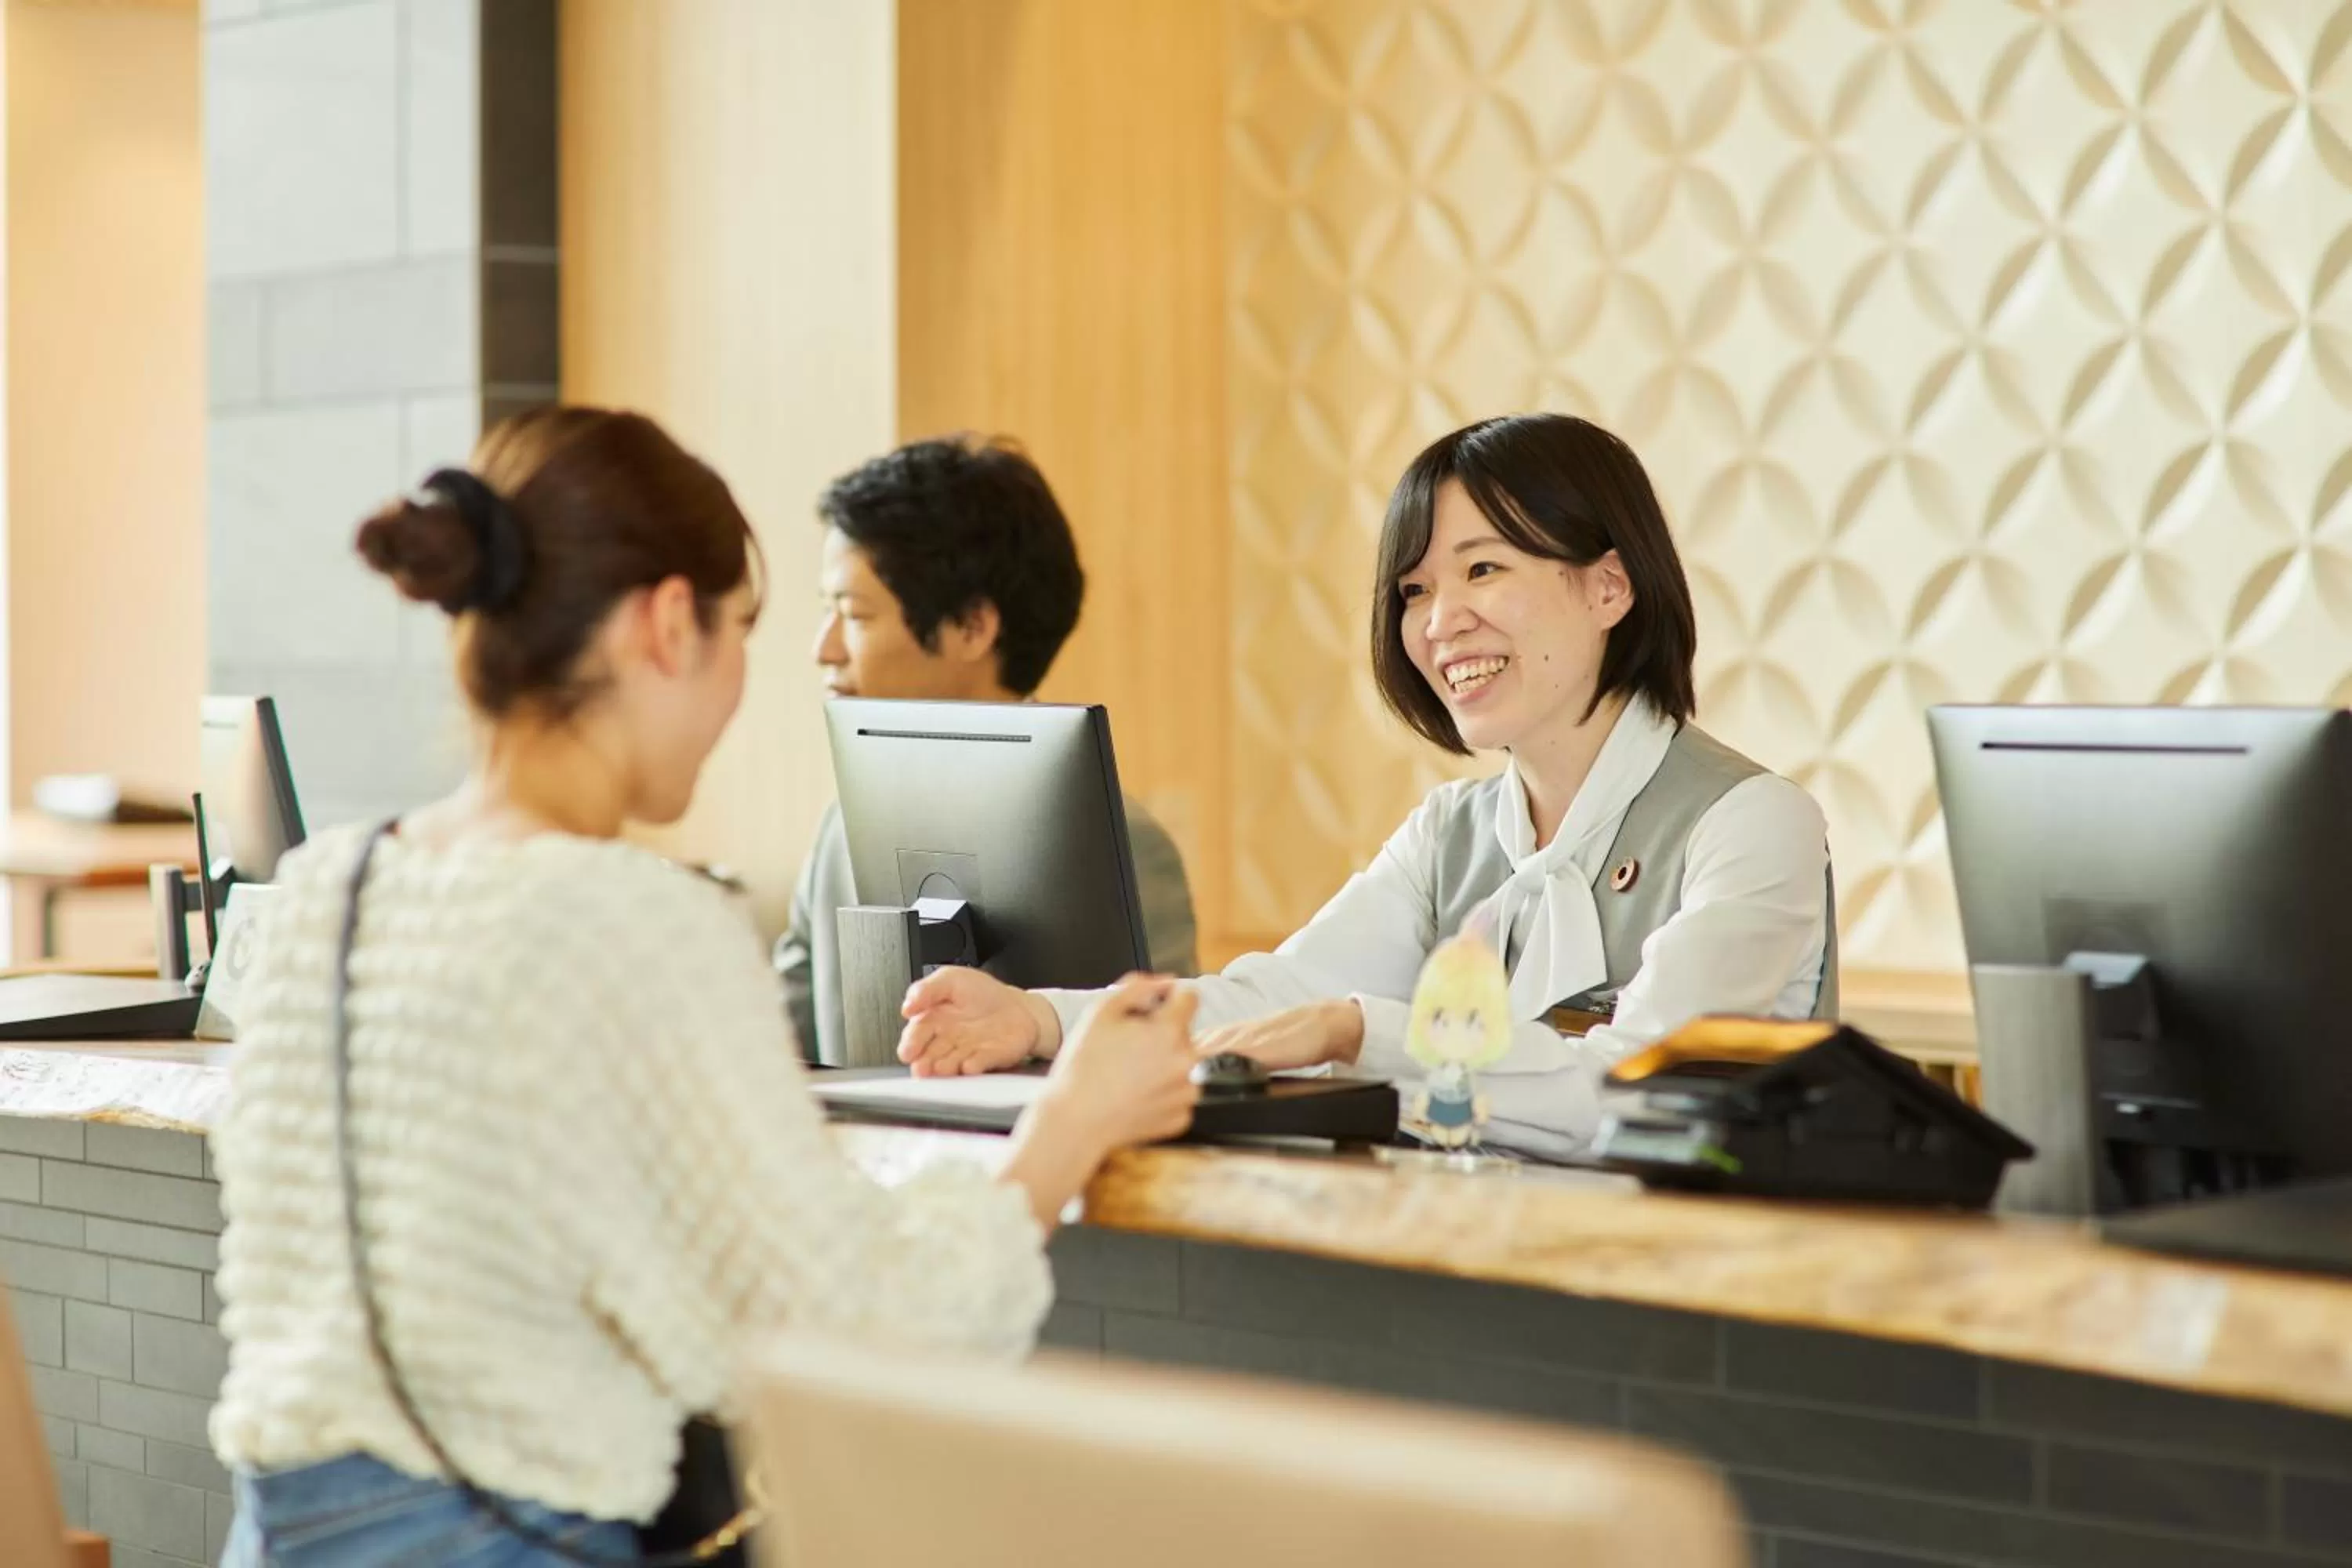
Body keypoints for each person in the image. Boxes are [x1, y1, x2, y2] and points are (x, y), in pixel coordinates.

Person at [209, 407, 1200, 1566]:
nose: (757, 679)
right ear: (670, 623)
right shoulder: (635, 921)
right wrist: (1074, 1118)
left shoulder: (327, 890)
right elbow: (862, 1321)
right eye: (743, 629)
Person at [897, 413, 1835, 1162]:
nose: (1439, 622)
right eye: (1415, 590)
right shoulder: (1450, 834)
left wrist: (1358, 1031)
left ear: (1608, 589)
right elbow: (1279, 993)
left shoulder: (1751, 823)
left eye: (1482, 569)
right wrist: (1037, 1016)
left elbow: (1632, 1088)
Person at [775, 434, 1197, 1063]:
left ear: (973, 626)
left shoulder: (1124, 839)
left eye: (855, 615)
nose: (825, 648)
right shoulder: (842, 824)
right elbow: (777, 1044)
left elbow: (1162, 1058)